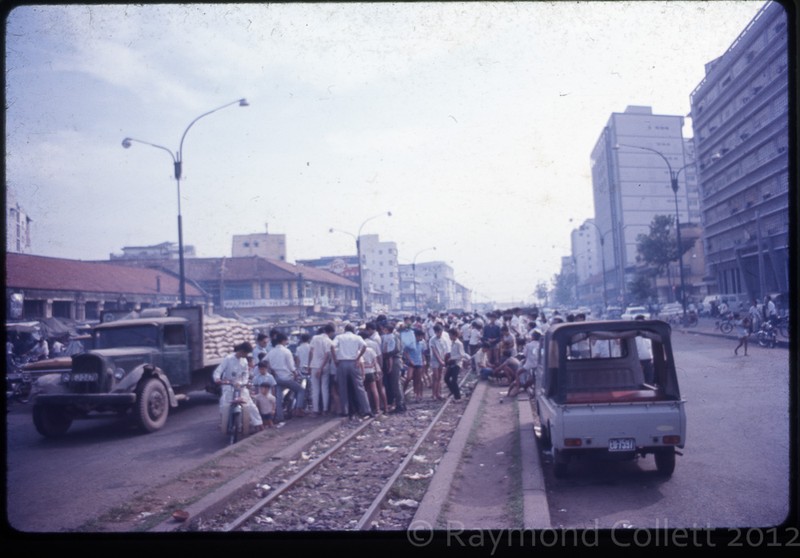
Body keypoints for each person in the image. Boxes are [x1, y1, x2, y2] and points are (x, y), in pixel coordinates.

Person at [213, 342, 264, 433]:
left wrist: (244, 382)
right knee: (223, 404)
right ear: (242, 351)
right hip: (228, 384)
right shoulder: (228, 359)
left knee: (250, 404)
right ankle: (223, 423)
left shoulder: (244, 361)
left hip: (240, 385)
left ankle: (258, 424)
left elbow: (245, 374)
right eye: (246, 353)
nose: (246, 355)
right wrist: (217, 379)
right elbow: (219, 370)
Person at [330, 324, 372, 418]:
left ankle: (345, 411)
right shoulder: (357, 337)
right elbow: (365, 346)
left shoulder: (339, 337)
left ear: (345, 330)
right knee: (360, 387)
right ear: (353, 330)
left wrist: (335, 359)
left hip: (342, 363)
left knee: (342, 387)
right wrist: (358, 358)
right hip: (354, 363)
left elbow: (332, 346)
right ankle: (367, 410)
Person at [266, 332, 306, 421]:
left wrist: (271, 370)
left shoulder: (271, 351)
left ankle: (280, 417)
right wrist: (296, 374)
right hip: (286, 378)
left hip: (276, 378)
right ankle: (298, 409)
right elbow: (291, 367)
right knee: (300, 390)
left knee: (278, 398)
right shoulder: (286, 351)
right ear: (283, 341)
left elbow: (264, 362)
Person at [308, 324, 335, 416]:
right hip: (324, 367)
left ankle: (315, 410)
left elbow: (311, 352)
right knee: (325, 388)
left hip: (314, 366)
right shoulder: (329, 341)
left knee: (315, 389)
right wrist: (321, 368)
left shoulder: (315, 338)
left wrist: (309, 365)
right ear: (330, 332)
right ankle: (325, 409)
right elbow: (327, 355)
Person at [381, 322, 406, 413]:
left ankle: (400, 404)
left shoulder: (393, 337)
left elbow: (396, 349)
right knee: (396, 383)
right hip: (394, 360)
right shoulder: (394, 336)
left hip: (395, 360)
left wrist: (386, 354)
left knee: (396, 383)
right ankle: (401, 403)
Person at [359, 331, 383, 415]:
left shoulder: (359, 349)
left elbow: (359, 362)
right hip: (371, 371)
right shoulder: (372, 347)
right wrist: (375, 369)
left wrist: (364, 366)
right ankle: (377, 408)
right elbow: (375, 361)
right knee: (374, 390)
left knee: (366, 391)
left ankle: (368, 408)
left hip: (363, 372)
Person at [403, 329, 426, 403]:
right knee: (408, 378)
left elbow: (422, 353)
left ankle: (417, 395)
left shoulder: (422, 343)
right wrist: (410, 360)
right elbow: (405, 352)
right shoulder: (410, 343)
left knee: (418, 379)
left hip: (419, 363)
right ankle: (403, 392)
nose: (421, 338)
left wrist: (424, 361)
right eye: (420, 336)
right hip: (411, 363)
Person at [445, 328, 467, 400]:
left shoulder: (459, 343)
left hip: (457, 364)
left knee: (454, 380)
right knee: (446, 378)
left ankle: (457, 397)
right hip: (452, 364)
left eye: (450, 335)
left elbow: (462, 355)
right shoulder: (453, 343)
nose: (449, 337)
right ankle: (453, 391)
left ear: (454, 335)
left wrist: (452, 358)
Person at [429, 324, 449, 402]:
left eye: (441, 332)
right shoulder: (432, 340)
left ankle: (438, 393)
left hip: (442, 359)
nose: (440, 333)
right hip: (435, 359)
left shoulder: (443, 339)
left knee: (440, 377)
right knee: (436, 377)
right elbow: (434, 351)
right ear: (435, 332)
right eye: (438, 332)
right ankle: (434, 394)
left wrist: (444, 360)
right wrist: (440, 360)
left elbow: (445, 350)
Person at [634, 315, 654, 384]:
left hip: (649, 361)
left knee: (650, 381)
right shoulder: (633, 335)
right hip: (638, 361)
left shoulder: (649, 334)